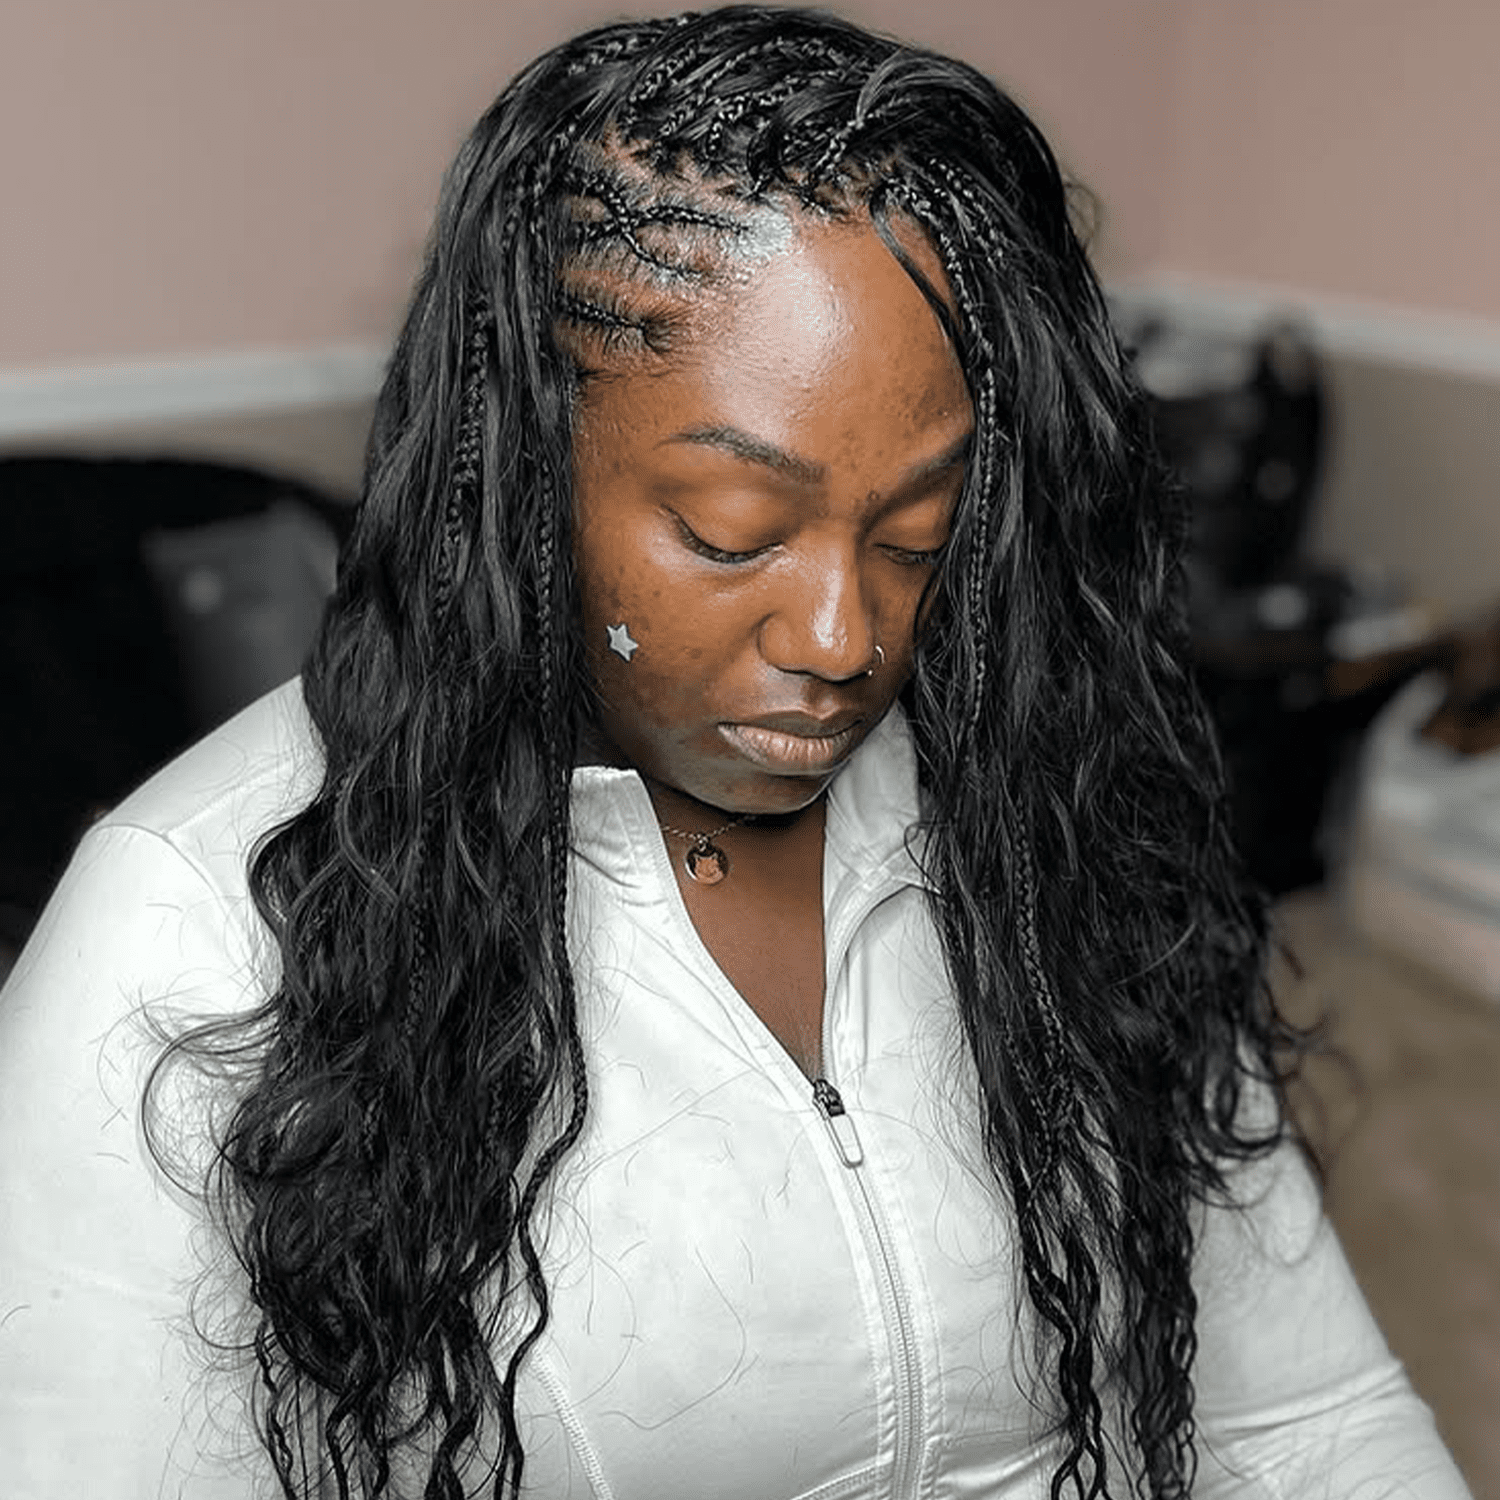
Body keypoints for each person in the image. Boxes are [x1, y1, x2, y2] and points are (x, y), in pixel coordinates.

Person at [0, 7, 1471, 1498]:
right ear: (516, 472)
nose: (845, 639)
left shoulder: (1054, 793)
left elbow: (1307, 1421)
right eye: (729, 532)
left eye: (914, 533)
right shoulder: (185, 935)